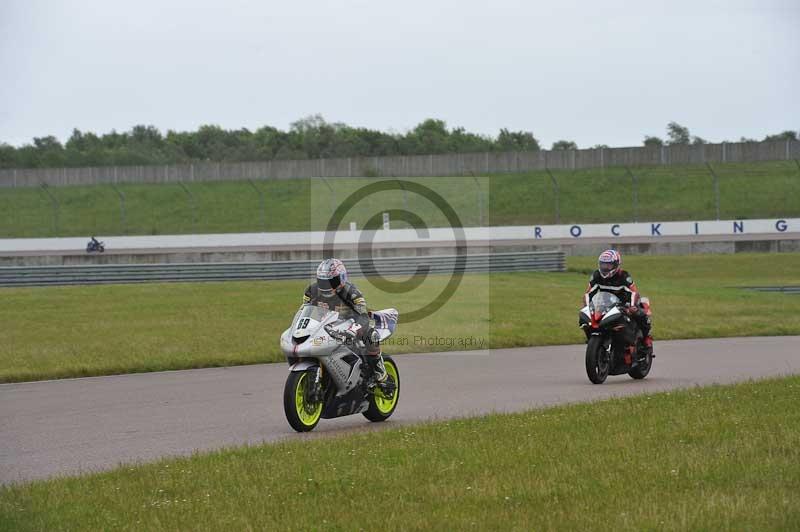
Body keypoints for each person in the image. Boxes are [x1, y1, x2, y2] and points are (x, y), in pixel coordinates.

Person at [302, 258, 388, 388]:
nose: (327, 286)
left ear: (342, 278)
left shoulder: (352, 292)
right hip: (324, 325)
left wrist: (353, 329)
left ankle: (379, 370)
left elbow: (363, 316)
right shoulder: (311, 291)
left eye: (332, 281)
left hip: (350, 323)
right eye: (323, 282)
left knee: (371, 334)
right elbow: (305, 311)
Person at [584, 249, 653, 357]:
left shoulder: (624, 276)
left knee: (639, 314)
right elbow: (589, 293)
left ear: (616, 265)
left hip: (625, 303)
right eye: (603, 265)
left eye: (608, 265)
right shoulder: (597, 275)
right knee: (586, 319)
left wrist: (631, 306)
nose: (605, 268)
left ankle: (646, 339)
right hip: (606, 303)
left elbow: (633, 292)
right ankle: (594, 341)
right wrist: (588, 306)